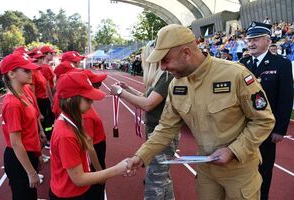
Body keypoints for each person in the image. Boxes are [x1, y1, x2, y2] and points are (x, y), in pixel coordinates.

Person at [126, 24, 275, 200]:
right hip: (206, 171)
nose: (163, 67)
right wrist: (141, 156)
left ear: (187, 53)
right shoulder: (176, 84)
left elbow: (264, 120)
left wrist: (233, 150)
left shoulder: (235, 75)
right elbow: (166, 128)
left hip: (240, 171)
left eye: (166, 60)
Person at [111, 41, 178, 200]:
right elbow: (147, 98)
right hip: (158, 133)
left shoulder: (166, 77)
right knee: (162, 179)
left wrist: (120, 92)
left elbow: (148, 104)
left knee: (154, 183)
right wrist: (128, 89)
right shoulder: (161, 77)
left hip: (162, 136)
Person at [50, 71, 128, 199]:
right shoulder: (66, 135)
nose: (92, 102)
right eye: (87, 98)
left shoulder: (73, 120)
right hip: (69, 194)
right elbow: (79, 179)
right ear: (71, 100)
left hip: (73, 191)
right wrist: (117, 169)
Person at [239, 21, 293, 200]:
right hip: (242, 128)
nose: (251, 43)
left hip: (266, 129)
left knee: (264, 168)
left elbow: (286, 98)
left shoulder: (281, 64)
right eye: (249, 40)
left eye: (256, 39)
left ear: (268, 41)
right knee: (242, 167)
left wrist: (280, 129)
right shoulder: (243, 63)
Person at [0, 53, 42, 200]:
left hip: (27, 154)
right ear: (11, 74)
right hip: (19, 159)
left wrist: (38, 155)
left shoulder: (23, 94)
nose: (32, 73)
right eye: (26, 70)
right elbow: (16, 143)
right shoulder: (13, 104)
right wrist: (31, 172)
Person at [82, 71, 108, 200]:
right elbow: (89, 146)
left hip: (98, 146)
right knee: (96, 189)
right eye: (96, 83)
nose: (100, 84)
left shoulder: (87, 108)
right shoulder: (85, 114)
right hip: (95, 149)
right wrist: (100, 172)